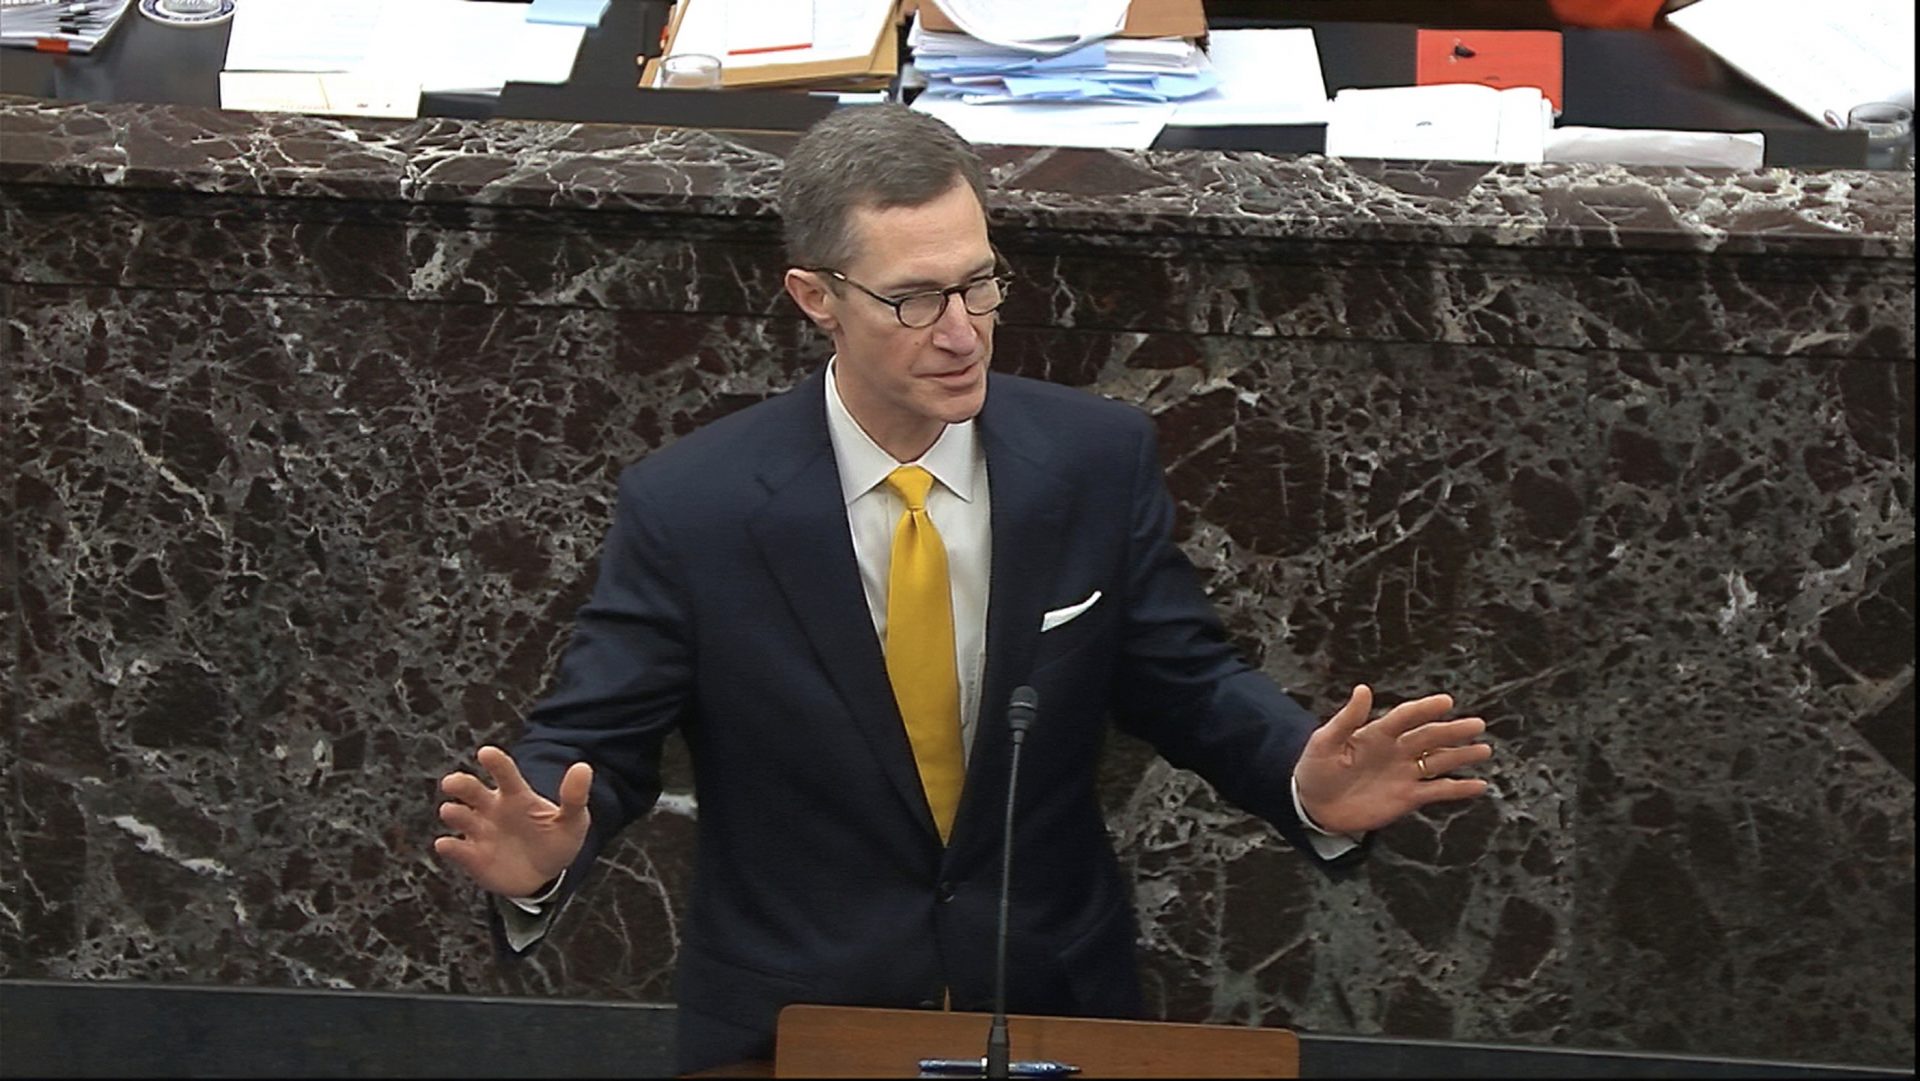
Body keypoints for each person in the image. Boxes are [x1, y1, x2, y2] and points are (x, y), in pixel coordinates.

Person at [434, 104, 1492, 1075]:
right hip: (796, 1024)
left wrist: (1300, 776)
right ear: (816, 298)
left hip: (1052, 1002)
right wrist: (540, 854)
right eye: (914, 298)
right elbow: (596, 743)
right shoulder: (694, 507)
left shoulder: (1092, 458)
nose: (961, 330)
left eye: (979, 283)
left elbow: (1187, 679)